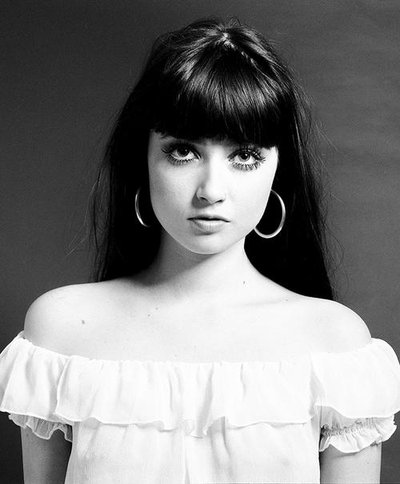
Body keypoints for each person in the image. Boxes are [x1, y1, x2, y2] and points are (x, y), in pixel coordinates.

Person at [1, 17, 400, 484]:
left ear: (277, 170)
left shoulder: (336, 345)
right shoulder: (61, 333)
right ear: (143, 160)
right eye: (183, 152)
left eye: (244, 156)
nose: (211, 190)